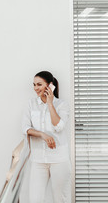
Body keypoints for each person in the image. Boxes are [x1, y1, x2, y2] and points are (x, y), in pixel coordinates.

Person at [22, 71, 71, 203]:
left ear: (50, 86)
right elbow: (26, 128)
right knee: (35, 199)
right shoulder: (31, 104)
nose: (35, 88)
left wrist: (50, 103)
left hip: (59, 159)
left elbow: (59, 126)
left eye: (39, 84)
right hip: (38, 160)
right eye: (34, 84)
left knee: (60, 199)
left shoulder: (62, 104)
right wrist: (42, 134)